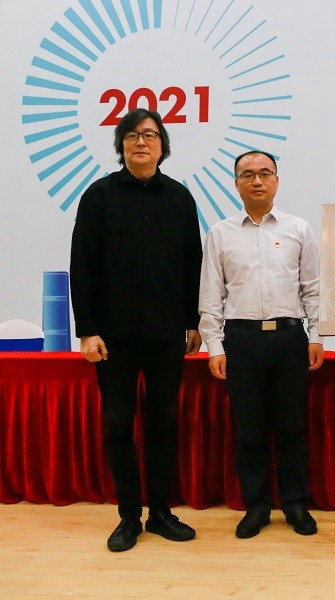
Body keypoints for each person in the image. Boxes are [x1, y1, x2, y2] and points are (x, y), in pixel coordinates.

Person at [70, 108, 202, 552]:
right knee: (117, 424)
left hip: (167, 333)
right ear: (121, 146)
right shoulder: (99, 196)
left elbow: (192, 264)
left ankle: (161, 512)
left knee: (163, 422)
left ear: (163, 146)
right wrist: (87, 330)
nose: (140, 141)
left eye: (149, 134)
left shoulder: (179, 198)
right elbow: (82, 266)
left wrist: (192, 322)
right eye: (131, 135)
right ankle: (128, 516)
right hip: (113, 337)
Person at [199, 150, 324, 539]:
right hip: (242, 340)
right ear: (236, 184)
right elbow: (211, 295)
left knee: (291, 427)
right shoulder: (220, 233)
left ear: (276, 181)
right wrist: (214, 346)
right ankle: (256, 505)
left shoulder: (298, 229)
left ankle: (295, 503)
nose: (257, 180)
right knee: (249, 429)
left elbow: (313, 289)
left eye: (265, 173)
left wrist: (316, 335)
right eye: (247, 174)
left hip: (289, 338)